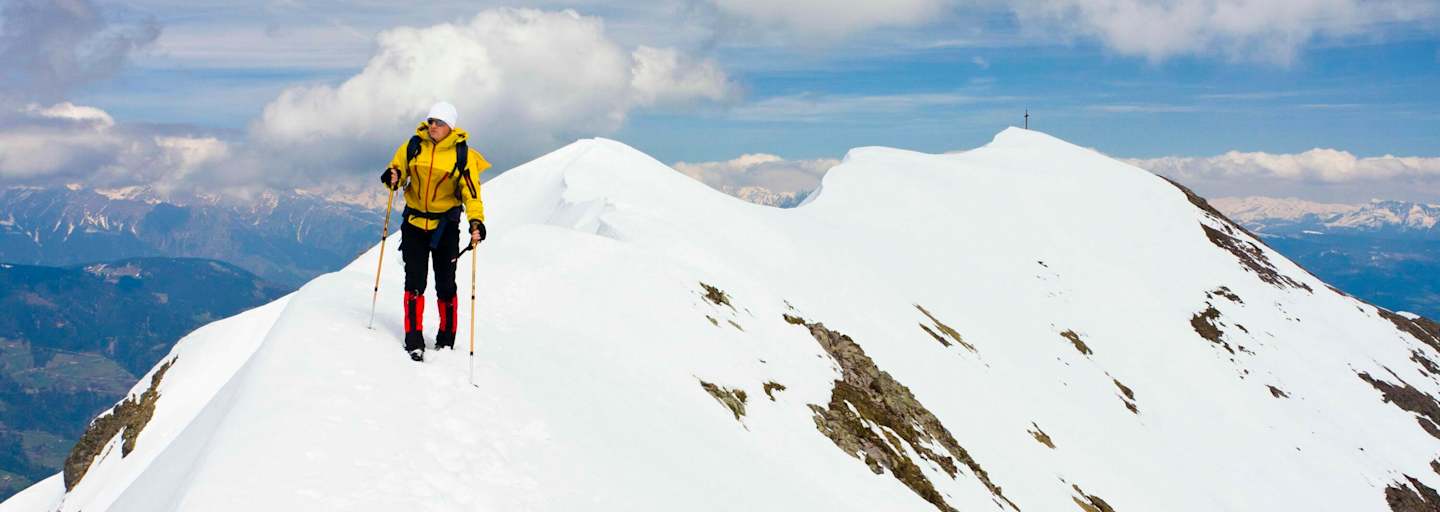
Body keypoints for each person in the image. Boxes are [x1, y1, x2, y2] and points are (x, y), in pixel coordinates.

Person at [380, 101, 488, 362]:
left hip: (446, 228)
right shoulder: (413, 146)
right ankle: (413, 339)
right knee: (414, 282)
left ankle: (446, 338)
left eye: (438, 122)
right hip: (414, 224)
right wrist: (392, 176)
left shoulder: (462, 154)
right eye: (430, 121)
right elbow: (398, 171)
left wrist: (476, 222)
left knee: (445, 284)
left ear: (450, 126)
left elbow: (471, 193)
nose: (433, 126)